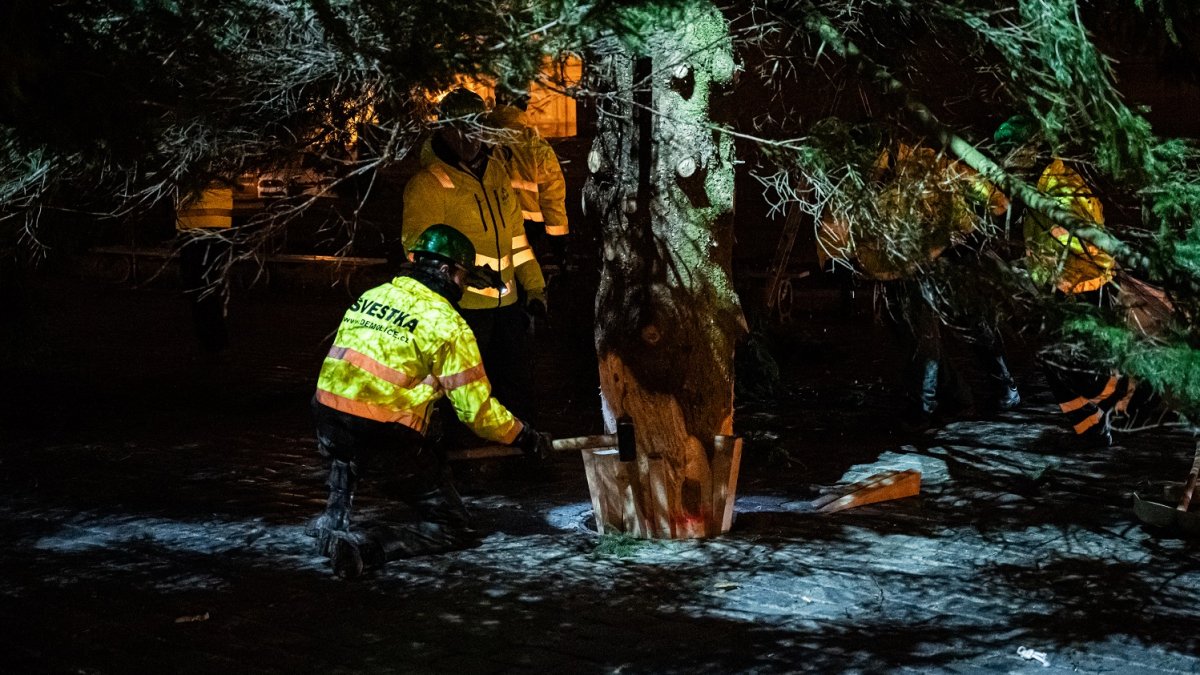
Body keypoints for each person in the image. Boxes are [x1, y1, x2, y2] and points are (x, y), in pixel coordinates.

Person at [306, 224, 552, 579]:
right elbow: (477, 412)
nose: (463, 286)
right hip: (381, 441)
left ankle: (333, 516)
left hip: (326, 422)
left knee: (355, 421)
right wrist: (524, 436)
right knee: (453, 526)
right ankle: (365, 545)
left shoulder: (375, 296)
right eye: (463, 277)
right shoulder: (449, 326)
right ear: (445, 271)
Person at [820, 138, 1021, 432]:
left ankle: (940, 405)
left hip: (946, 254)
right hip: (914, 261)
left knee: (951, 329)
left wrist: (972, 223)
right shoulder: (866, 178)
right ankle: (960, 398)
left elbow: (994, 197)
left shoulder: (922, 163)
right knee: (932, 331)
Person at [401, 88, 548, 423]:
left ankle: (518, 454)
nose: (470, 137)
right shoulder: (428, 185)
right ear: (444, 129)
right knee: (462, 395)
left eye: (477, 126)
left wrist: (535, 289)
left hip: (507, 309)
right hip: (462, 311)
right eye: (460, 128)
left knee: (516, 389)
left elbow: (517, 241)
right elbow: (418, 254)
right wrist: (464, 279)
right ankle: (462, 463)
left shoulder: (497, 173)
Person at [994, 115, 1122, 446]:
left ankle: (1125, 398)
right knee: (1054, 366)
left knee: (1076, 367)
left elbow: (1097, 247)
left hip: (1084, 290)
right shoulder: (1036, 191)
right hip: (1056, 292)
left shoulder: (1063, 191)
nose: (1007, 161)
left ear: (1033, 151)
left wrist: (1063, 232)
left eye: (1012, 151)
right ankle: (1091, 430)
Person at [488, 88, 570, 266]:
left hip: (486, 222)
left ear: (497, 98)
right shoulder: (535, 144)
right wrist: (558, 244)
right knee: (526, 279)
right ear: (525, 102)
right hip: (529, 230)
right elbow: (552, 194)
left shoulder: (479, 137)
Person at [176, 183, 234, 355]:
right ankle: (213, 342)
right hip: (202, 221)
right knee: (203, 285)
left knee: (200, 286)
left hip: (202, 222)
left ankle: (214, 343)